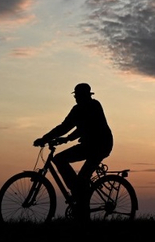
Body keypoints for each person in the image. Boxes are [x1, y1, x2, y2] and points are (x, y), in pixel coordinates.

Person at [33, 83, 113, 212]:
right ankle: (78, 192)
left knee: (76, 172)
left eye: (78, 96)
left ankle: (79, 195)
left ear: (85, 96)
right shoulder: (76, 110)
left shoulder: (94, 106)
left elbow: (86, 128)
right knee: (61, 160)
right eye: (76, 96)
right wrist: (46, 138)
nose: (76, 98)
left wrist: (67, 138)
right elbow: (64, 126)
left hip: (100, 145)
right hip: (88, 145)